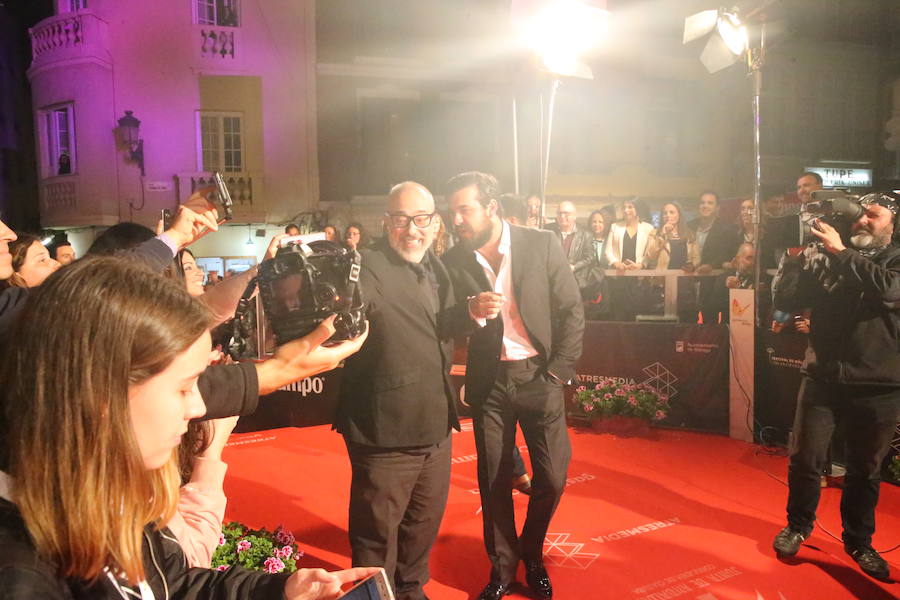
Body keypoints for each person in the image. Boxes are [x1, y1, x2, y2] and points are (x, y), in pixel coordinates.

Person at [0, 256, 379, 599]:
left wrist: (277, 591)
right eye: (184, 387)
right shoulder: (23, 580)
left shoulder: (111, 493)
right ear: (101, 393)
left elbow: (172, 584)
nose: (197, 406)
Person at [442, 172, 584, 600]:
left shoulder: (539, 244)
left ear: (491, 207)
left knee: (553, 478)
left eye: (464, 210)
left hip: (540, 376)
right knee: (493, 479)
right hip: (490, 383)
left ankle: (532, 553)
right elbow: (445, 321)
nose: (457, 220)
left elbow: (572, 309)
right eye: (452, 212)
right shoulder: (454, 260)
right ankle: (502, 570)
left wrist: (558, 371)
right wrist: (468, 311)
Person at [335, 182, 468, 600]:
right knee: (376, 537)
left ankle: (411, 591)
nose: (411, 229)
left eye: (421, 219)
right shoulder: (367, 266)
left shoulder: (438, 267)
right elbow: (350, 304)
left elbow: (436, 328)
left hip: (436, 425)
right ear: (385, 222)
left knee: (422, 527)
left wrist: (471, 313)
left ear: (435, 222)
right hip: (384, 430)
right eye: (400, 219)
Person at [770, 193, 900, 581]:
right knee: (805, 459)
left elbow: (888, 290)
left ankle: (859, 541)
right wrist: (793, 261)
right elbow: (785, 299)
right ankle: (798, 526)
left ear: (893, 224)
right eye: (859, 216)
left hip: (879, 382)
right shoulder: (828, 254)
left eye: (872, 216)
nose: (862, 221)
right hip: (823, 376)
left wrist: (841, 252)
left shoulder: (892, 259)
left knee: (864, 468)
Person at [688, 191, 740, 324]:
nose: (705, 206)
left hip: (715, 283)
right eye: (702, 202)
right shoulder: (689, 226)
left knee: (712, 323)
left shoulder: (727, 228)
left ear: (717, 207)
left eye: (710, 203)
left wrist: (712, 265)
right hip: (688, 281)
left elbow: (727, 252)